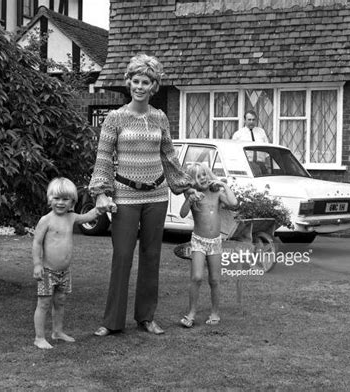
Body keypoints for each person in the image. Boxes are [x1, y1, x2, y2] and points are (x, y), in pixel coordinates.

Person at [89, 53, 201, 337]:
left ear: (154, 86)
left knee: (151, 257)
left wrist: (184, 184)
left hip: (157, 196)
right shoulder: (115, 118)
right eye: (136, 80)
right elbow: (103, 157)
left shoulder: (160, 117)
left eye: (146, 81)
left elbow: (169, 155)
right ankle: (112, 322)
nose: (140, 86)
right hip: (125, 195)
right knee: (123, 256)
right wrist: (102, 193)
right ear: (129, 83)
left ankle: (146, 318)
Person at [32, 177, 101, 349]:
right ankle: (39, 337)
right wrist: (37, 264)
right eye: (57, 198)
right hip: (47, 271)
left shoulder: (71, 217)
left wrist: (102, 205)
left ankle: (57, 332)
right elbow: (37, 243)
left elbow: (89, 216)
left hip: (64, 271)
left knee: (60, 301)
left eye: (65, 199)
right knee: (44, 303)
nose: (61, 203)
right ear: (50, 199)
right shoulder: (46, 220)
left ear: (72, 202)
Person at [179, 163, 238, 328]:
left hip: (215, 242)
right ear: (193, 181)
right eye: (198, 176)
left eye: (204, 174)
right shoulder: (194, 195)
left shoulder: (216, 194)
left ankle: (215, 312)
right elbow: (183, 214)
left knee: (214, 279)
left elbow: (233, 203)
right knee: (196, 277)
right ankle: (191, 313)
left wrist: (224, 185)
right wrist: (189, 200)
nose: (203, 178)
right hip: (198, 241)